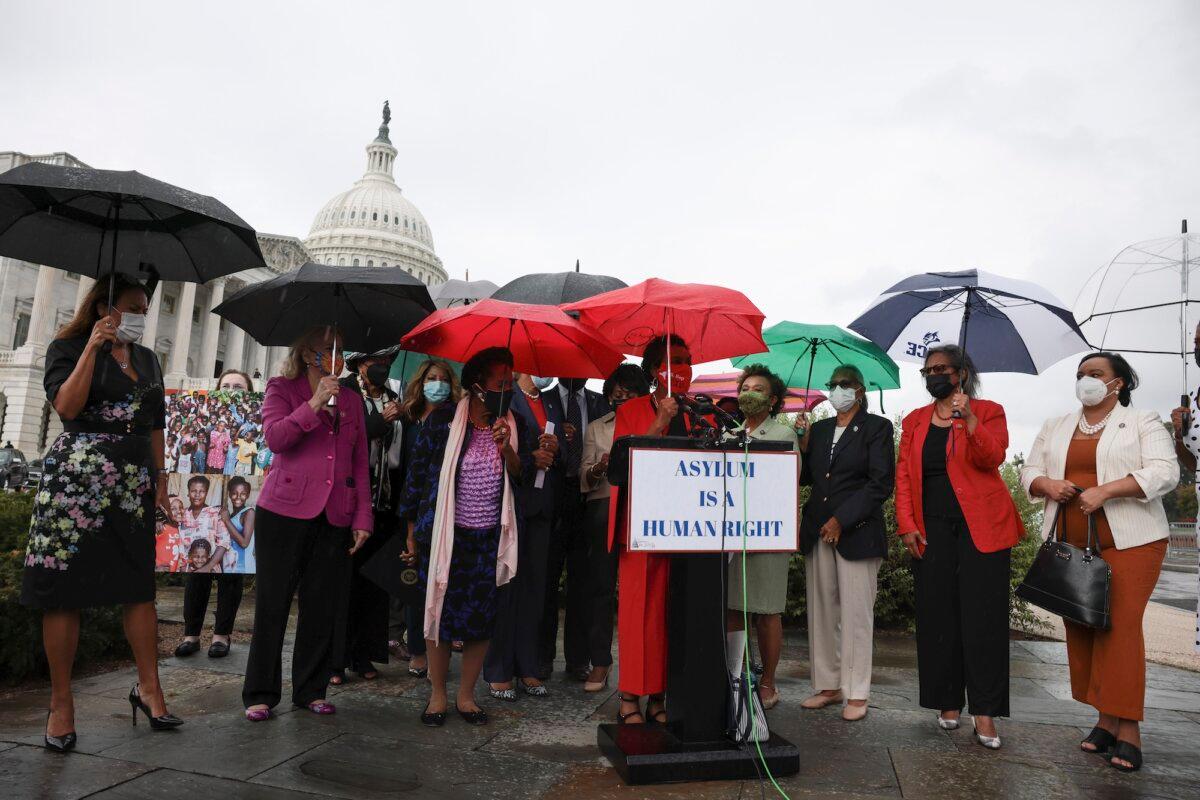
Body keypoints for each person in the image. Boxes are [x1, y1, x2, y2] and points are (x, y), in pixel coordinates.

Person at [22, 274, 183, 752]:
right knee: (64, 593)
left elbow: (156, 422)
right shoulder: (67, 347)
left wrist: (160, 481)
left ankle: (150, 689)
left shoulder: (148, 359)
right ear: (102, 308)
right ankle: (61, 704)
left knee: (139, 589)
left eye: (146, 308)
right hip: (75, 482)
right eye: (134, 306)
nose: (141, 316)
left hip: (131, 484)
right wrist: (92, 349)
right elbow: (66, 404)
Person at [1024, 352, 1177, 772]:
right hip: (1072, 543)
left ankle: (1129, 731)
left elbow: (1166, 472)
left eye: (1096, 374)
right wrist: (1047, 484)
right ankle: (1105, 720)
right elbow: (1030, 471)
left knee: (1121, 629)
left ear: (1119, 383)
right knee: (1086, 627)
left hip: (1133, 542)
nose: (1085, 380)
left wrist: (1107, 491)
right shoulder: (1057, 425)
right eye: (1080, 375)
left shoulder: (1143, 421)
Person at [399, 347, 538, 726]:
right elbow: (417, 477)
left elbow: (521, 475)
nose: (507, 390)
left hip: (488, 539)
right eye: (501, 383)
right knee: (439, 612)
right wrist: (410, 530)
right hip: (444, 535)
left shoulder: (514, 423)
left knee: (481, 618)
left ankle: (466, 696)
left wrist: (505, 446)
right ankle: (438, 694)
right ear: (477, 386)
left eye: (511, 383)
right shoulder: (443, 420)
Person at [894, 344, 1022, 749]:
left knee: (982, 619)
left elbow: (993, 458)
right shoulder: (915, 421)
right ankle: (946, 700)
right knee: (937, 616)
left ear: (962, 373)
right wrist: (907, 524)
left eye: (942, 368)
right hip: (930, 529)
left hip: (982, 525)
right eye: (928, 370)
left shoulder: (989, 411)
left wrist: (968, 418)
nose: (934, 374)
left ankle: (984, 711)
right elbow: (905, 477)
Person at [242, 326, 373, 721]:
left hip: (335, 512)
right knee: (272, 603)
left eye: (340, 351)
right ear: (306, 354)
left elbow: (360, 463)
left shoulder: (351, 400)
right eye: (326, 350)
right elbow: (276, 439)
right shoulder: (283, 388)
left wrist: (362, 515)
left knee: (320, 606)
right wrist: (315, 402)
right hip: (283, 510)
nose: (336, 358)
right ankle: (261, 693)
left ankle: (310, 689)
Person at [609, 334, 710, 724]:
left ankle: (661, 695)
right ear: (655, 370)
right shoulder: (632, 409)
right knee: (639, 612)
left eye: (687, 361)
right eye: (675, 361)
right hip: (641, 527)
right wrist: (660, 420)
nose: (683, 368)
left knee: (672, 615)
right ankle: (631, 695)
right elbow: (624, 460)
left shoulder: (699, 410)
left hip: (687, 528)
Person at [798, 364, 894, 721]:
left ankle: (857, 692)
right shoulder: (821, 429)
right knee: (821, 610)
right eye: (833, 384)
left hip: (858, 531)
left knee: (856, 614)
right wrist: (803, 444)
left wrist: (842, 519)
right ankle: (828, 684)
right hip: (817, 529)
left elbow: (880, 483)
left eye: (845, 384)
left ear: (860, 388)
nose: (838, 389)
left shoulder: (877, 428)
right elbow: (808, 478)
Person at [722, 365, 803, 711]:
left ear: (772, 400)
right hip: (730, 534)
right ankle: (736, 676)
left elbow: (789, 482)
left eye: (758, 389)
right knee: (733, 608)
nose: (748, 393)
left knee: (767, 610)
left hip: (768, 533)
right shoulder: (727, 436)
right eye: (745, 387)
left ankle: (768, 681)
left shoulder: (783, 435)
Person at [484, 373, 561, 699]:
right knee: (506, 588)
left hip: (542, 507)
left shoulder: (552, 402)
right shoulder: (505, 400)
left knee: (535, 589)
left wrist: (556, 446)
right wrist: (531, 457)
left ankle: (528, 666)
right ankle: (499, 668)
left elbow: (558, 452)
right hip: (506, 507)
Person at [331, 349, 404, 684]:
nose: (383, 367)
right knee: (342, 581)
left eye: (388, 362)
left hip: (382, 500)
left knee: (374, 582)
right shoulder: (344, 392)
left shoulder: (393, 397)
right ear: (360, 364)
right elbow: (345, 439)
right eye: (377, 361)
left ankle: (364, 655)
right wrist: (380, 421)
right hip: (348, 498)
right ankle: (335, 658)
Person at [579, 364, 649, 692]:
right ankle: (600, 662)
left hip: (643, 511)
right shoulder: (596, 427)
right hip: (604, 509)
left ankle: (644, 660)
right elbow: (584, 479)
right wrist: (598, 467)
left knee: (642, 590)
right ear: (609, 396)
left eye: (630, 395)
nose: (622, 400)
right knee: (599, 587)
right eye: (617, 395)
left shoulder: (653, 425)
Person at [175, 371, 254, 660]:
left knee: (230, 576)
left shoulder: (251, 424)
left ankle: (222, 634)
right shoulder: (208, 427)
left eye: (239, 387)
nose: (233, 390)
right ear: (218, 389)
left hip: (234, 501)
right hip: (206, 503)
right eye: (227, 386)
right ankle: (191, 634)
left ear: (249, 392)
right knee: (196, 573)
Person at [393, 359, 462, 677]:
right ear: (420, 382)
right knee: (412, 583)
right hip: (408, 507)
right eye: (431, 378)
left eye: (443, 378)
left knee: (443, 582)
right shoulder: (406, 418)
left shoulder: (457, 418)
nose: (438, 384)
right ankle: (416, 649)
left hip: (446, 510)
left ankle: (441, 645)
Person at [540, 375, 609, 681]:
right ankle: (541, 657)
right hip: (554, 495)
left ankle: (578, 659)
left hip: (590, 499)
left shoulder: (600, 402)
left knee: (583, 583)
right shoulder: (545, 399)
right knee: (546, 580)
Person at [223, 477, 256, 573]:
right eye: (234, 493)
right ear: (229, 494)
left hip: (243, 568)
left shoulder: (249, 512)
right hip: (228, 567)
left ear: (248, 495)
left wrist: (227, 521)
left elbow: (245, 543)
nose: (238, 497)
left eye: (243, 494)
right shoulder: (231, 516)